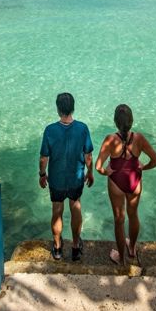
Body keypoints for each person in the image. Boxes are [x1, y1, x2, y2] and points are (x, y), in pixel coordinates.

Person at [95, 104, 156, 265]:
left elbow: (98, 167)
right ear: (131, 121)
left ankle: (121, 259)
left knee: (119, 219)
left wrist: (106, 172)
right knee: (133, 215)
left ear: (116, 122)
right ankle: (132, 248)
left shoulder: (110, 139)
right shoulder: (139, 138)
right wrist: (143, 167)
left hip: (116, 182)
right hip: (134, 182)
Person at [39, 92, 94, 261]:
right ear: (73, 108)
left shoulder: (50, 130)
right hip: (76, 178)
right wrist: (90, 173)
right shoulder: (82, 128)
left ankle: (57, 248)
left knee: (57, 211)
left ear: (58, 109)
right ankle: (76, 247)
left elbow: (43, 158)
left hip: (56, 180)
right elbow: (88, 156)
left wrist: (42, 174)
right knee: (75, 207)